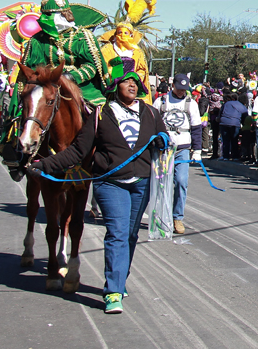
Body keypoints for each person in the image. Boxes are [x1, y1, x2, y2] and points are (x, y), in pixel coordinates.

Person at [28, 66, 168, 314]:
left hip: (142, 183)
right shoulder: (100, 115)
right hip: (110, 183)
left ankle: (119, 279)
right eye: (126, 81)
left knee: (130, 236)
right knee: (117, 233)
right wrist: (44, 164)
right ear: (115, 87)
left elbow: (164, 136)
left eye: (136, 82)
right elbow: (77, 151)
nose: (133, 85)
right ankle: (113, 291)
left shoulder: (151, 113)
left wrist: (163, 140)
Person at [0, 0, 110, 177]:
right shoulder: (37, 40)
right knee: (24, 112)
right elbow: (28, 67)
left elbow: (93, 65)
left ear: (65, 15)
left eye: (51, 15)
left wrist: (70, 77)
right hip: (44, 85)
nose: (45, 20)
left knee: (105, 117)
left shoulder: (82, 37)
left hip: (80, 87)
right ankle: (18, 157)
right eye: (45, 15)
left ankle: (107, 159)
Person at [152, 73, 202, 235]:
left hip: (182, 149)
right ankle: (161, 216)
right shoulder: (161, 102)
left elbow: (196, 128)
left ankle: (177, 217)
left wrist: (198, 150)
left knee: (181, 182)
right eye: (179, 89)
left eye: (184, 89)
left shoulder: (191, 104)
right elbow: (152, 124)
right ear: (172, 86)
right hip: (164, 150)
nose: (181, 92)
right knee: (162, 185)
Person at [218, 92, 247, 160]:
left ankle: (226, 156)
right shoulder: (241, 106)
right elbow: (245, 116)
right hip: (235, 124)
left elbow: (221, 113)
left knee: (226, 140)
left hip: (224, 122)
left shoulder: (226, 104)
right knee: (234, 140)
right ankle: (235, 156)